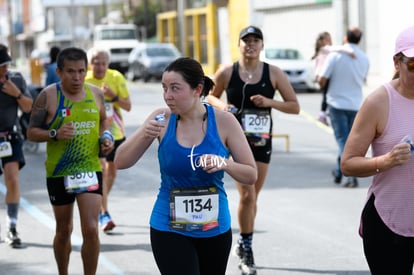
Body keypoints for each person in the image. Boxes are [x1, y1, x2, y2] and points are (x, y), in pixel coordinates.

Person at [114, 57, 257, 275]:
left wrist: (225, 164)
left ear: (197, 89)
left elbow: (250, 174)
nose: (167, 95)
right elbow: (120, 161)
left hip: (214, 229)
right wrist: (144, 133)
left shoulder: (224, 122)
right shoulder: (161, 119)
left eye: (175, 88)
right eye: (164, 88)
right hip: (169, 227)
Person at [207, 25, 300, 274]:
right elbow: (208, 96)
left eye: (255, 40)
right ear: (238, 45)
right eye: (246, 40)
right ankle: (247, 248)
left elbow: (294, 106)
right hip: (236, 140)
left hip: (261, 140)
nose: (251, 44)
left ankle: (243, 239)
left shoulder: (274, 73)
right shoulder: (228, 71)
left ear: (262, 45)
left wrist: (269, 102)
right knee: (247, 195)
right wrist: (224, 106)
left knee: (253, 197)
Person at [27, 47, 114, 275]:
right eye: (70, 72)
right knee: (64, 230)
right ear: (59, 72)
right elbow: (31, 132)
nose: (77, 77)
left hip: (89, 168)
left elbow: (105, 120)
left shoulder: (95, 93)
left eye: (81, 71)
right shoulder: (48, 96)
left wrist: (106, 136)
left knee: (92, 228)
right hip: (59, 171)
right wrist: (54, 134)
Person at [341, 25, 414, 274]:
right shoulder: (379, 102)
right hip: (388, 223)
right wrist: (386, 160)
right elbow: (348, 163)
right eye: (413, 64)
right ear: (397, 61)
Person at [85, 48, 131, 233]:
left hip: (116, 132)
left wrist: (114, 97)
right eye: (96, 62)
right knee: (102, 172)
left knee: (112, 172)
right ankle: (104, 212)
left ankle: (100, 203)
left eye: (103, 62)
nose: (100, 66)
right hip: (93, 133)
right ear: (90, 64)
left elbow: (128, 106)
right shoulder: (85, 80)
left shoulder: (116, 77)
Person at [317, 27, 369, 188]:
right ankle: (339, 173)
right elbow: (363, 78)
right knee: (348, 140)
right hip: (355, 104)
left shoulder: (335, 55)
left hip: (336, 103)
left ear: (345, 38)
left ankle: (349, 175)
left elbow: (322, 80)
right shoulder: (365, 58)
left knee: (343, 141)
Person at [0, 44, 33, 248]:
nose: (5, 69)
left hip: (10, 137)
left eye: (6, 64)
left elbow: (30, 107)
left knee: (13, 179)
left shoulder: (17, 79)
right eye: (1, 65)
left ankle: (12, 227)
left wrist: (16, 94)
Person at [312, 31, 356, 126]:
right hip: (324, 76)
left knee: (326, 94)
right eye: (328, 40)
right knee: (327, 94)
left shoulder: (321, 50)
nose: (330, 42)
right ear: (321, 41)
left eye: (330, 39)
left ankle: (325, 112)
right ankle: (323, 113)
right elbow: (338, 48)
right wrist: (350, 51)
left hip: (322, 75)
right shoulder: (326, 49)